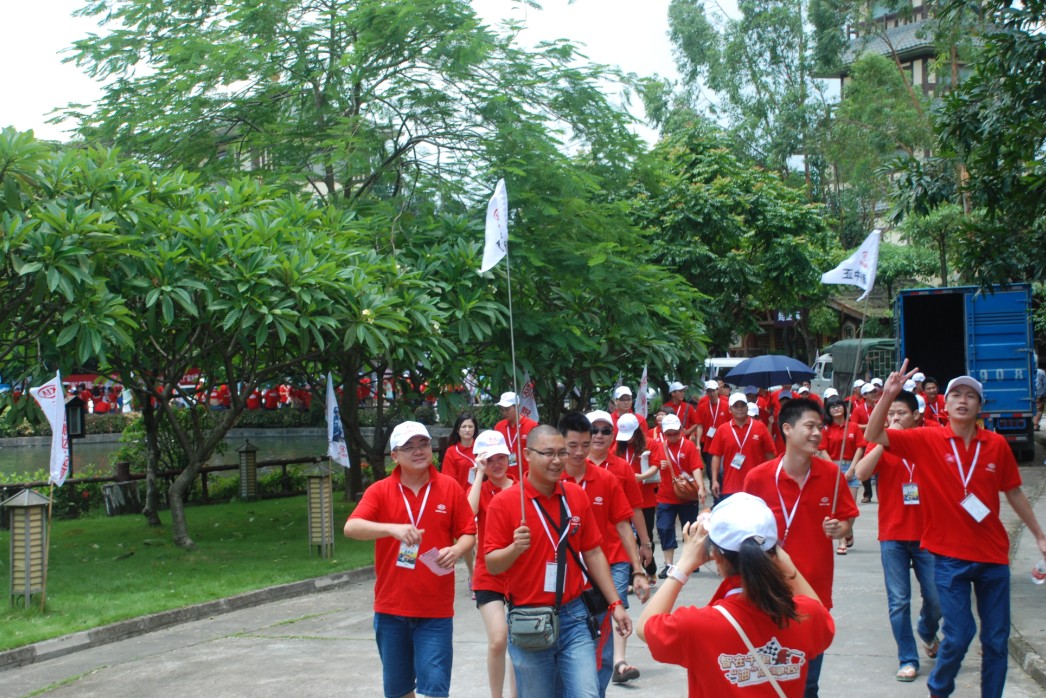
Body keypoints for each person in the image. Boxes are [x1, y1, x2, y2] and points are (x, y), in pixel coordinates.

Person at [864, 365, 1046, 698]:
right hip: (949, 557)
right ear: (945, 405)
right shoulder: (927, 439)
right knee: (960, 635)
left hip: (992, 556)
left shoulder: (996, 445)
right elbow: (874, 435)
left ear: (980, 406)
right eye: (956, 395)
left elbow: (1014, 491)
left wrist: (1039, 535)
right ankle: (939, 689)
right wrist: (888, 395)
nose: (963, 400)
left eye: (971, 396)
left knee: (995, 640)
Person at [637, 493, 835, 697]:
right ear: (773, 553)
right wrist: (786, 561)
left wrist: (684, 564)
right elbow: (823, 620)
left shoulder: (698, 625)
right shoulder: (805, 615)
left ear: (716, 556)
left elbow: (645, 627)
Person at [484, 425, 632, 698]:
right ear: (527, 455)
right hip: (530, 619)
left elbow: (593, 552)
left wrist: (616, 604)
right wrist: (514, 549)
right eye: (548, 453)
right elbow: (492, 564)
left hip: (574, 615)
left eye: (561, 453)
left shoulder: (575, 495)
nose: (556, 460)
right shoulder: (505, 502)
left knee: (587, 693)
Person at [343, 421, 476, 698]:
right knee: (399, 691)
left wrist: (456, 550)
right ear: (395, 455)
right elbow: (351, 527)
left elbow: (468, 532)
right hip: (391, 608)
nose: (418, 451)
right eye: (409, 447)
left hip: (435, 609)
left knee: (436, 690)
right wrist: (391, 529)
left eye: (423, 444)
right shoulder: (380, 490)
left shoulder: (449, 487)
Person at [742, 398, 859, 698]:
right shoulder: (758, 477)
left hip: (813, 595)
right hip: (767, 592)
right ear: (787, 429)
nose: (817, 433)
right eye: (809, 426)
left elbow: (847, 520)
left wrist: (841, 529)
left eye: (820, 427)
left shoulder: (831, 475)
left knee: (807, 684)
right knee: (766, 680)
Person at [852, 390, 941, 683]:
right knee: (899, 600)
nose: (894, 419)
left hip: (928, 534)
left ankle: (927, 629)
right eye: (889, 414)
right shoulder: (880, 442)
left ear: (916, 415)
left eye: (900, 413)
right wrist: (883, 441)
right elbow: (861, 474)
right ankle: (908, 658)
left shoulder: (929, 439)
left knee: (937, 597)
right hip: (893, 533)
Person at [559, 412, 650, 692]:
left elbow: (625, 523)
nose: (579, 452)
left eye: (584, 445)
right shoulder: (552, 478)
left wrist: (638, 569)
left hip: (605, 567)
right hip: (564, 574)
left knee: (603, 642)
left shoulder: (607, 477)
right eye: (572, 446)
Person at [467, 430, 518, 698]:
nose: (496, 464)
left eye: (501, 457)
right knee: (499, 638)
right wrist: (479, 475)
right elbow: (467, 515)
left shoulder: (522, 488)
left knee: (521, 640)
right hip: (489, 574)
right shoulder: (480, 490)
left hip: (521, 573)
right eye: (489, 460)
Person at [653, 414, 705, 579]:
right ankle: (669, 565)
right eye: (669, 434)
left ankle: (690, 560)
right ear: (663, 433)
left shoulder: (688, 446)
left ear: (681, 430)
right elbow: (651, 467)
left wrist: (701, 488)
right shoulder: (659, 447)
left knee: (690, 529)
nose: (673, 436)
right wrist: (658, 465)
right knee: (664, 528)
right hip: (666, 495)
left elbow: (696, 467)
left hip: (687, 495)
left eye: (676, 433)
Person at [817, 396, 866, 555]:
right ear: (828, 411)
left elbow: (860, 447)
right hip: (833, 466)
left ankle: (847, 530)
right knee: (837, 506)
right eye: (832, 406)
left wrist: (852, 468)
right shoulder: (826, 429)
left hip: (851, 466)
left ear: (845, 408)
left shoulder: (853, 427)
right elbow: (823, 450)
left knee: (850, 507)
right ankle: (842, 540)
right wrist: (833, 468)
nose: (836, 408)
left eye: (839, 405)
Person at [707, 392, 776, 504]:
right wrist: (714, 480)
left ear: (747, 408)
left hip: (756, 485)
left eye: (742, 405)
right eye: (736, 406)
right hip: (731, 486)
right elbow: (716, 456)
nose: (740, 409)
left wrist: (773, 477)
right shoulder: (722, 429)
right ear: (730, 409)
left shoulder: (760, 427)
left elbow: (770, 455)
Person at [616, 413, 660, 582]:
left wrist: (640, 477)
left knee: (645, 536)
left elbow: (655, 466)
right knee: (627, 538)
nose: (627, 440)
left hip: (645, 499)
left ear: (637, 431)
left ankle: (650, 569)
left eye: (630, 436)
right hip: (623, 500)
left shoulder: (651, 443)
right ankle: (631, 575)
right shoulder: (618, 447)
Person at [495, 392, 538, 475]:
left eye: (507, 409)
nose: (504, 413)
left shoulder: (531, 426)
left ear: (517, 406)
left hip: (526, 475)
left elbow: (537, 452)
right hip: (505, 476)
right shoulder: (499, 427)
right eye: (502, 409)